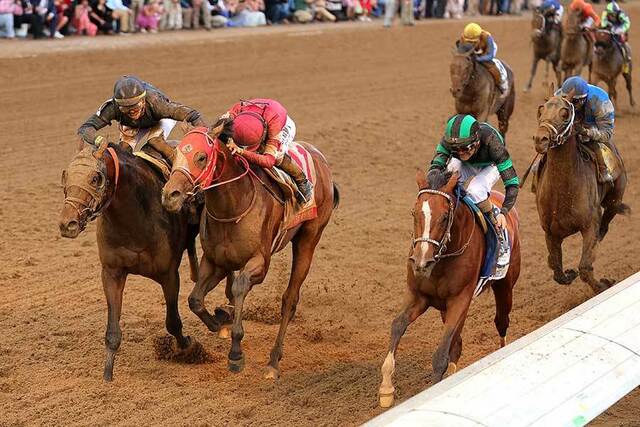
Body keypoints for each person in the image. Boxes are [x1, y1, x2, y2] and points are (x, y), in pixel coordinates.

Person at [429, 114, 518, 264]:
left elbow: (512, 183)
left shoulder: (493, 142)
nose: (462, 153)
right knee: (446, 183)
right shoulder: (449, 141)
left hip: (490, 164)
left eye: (466, 148)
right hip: (466, 164)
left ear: (477, 141)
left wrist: (504, 211)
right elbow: (435, 168)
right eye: (456, 149)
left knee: (475, 190)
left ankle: (498, 234)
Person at [77, 76, 207, 165]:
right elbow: (85, 128)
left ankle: (182, 168)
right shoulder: (112, 108)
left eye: (135, 106)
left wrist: (205, 139)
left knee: (155, 143)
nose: (132, 111)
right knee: (123, 154)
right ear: (118, 106)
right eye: (126, 109)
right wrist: (98, 140)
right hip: (132, 125)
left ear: (144, 100)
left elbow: (193, 115)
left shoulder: (157, 103)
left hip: (159, 119)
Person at [215, 98, 313, 204]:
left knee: (277, 156)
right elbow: (215, 132)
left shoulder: (274, 125)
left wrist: (241, 151)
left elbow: (269, 161)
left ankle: (302, 181)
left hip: (282, 123)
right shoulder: (235, 111)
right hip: (255, 117)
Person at [556, 76, 616, 182]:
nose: (571, 105)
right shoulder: (558, 96)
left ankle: (605, 171)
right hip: (569, 125)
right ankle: (539, 167)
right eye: (567, 100)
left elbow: (607, 134)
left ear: (584, 98)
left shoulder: (601, 102)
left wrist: (586, 132)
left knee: (597, 145)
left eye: (575, 102)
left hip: (593, 126)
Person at [459, 23, 509, 96]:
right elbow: (461, 51)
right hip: (473, 52)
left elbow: (490, 55)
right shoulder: (464, 37)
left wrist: (478, 59)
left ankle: (501, 84)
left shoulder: (487, 37)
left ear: (479, 37)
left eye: (473, 42)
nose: (470, 43)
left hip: (486, 50)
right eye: (469, 41)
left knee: (491, 66)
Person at [600, 1, 631, 69]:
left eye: (615, 13)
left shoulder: (621, 14)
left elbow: (627, 23)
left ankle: (626, 60)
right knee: (601, 37)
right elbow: (603, 22)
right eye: (611, 13)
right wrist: (608, 26)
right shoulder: (605, 13)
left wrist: (620, 30)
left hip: (620, 28)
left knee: (622, 42)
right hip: (609, 28)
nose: (613, 15)